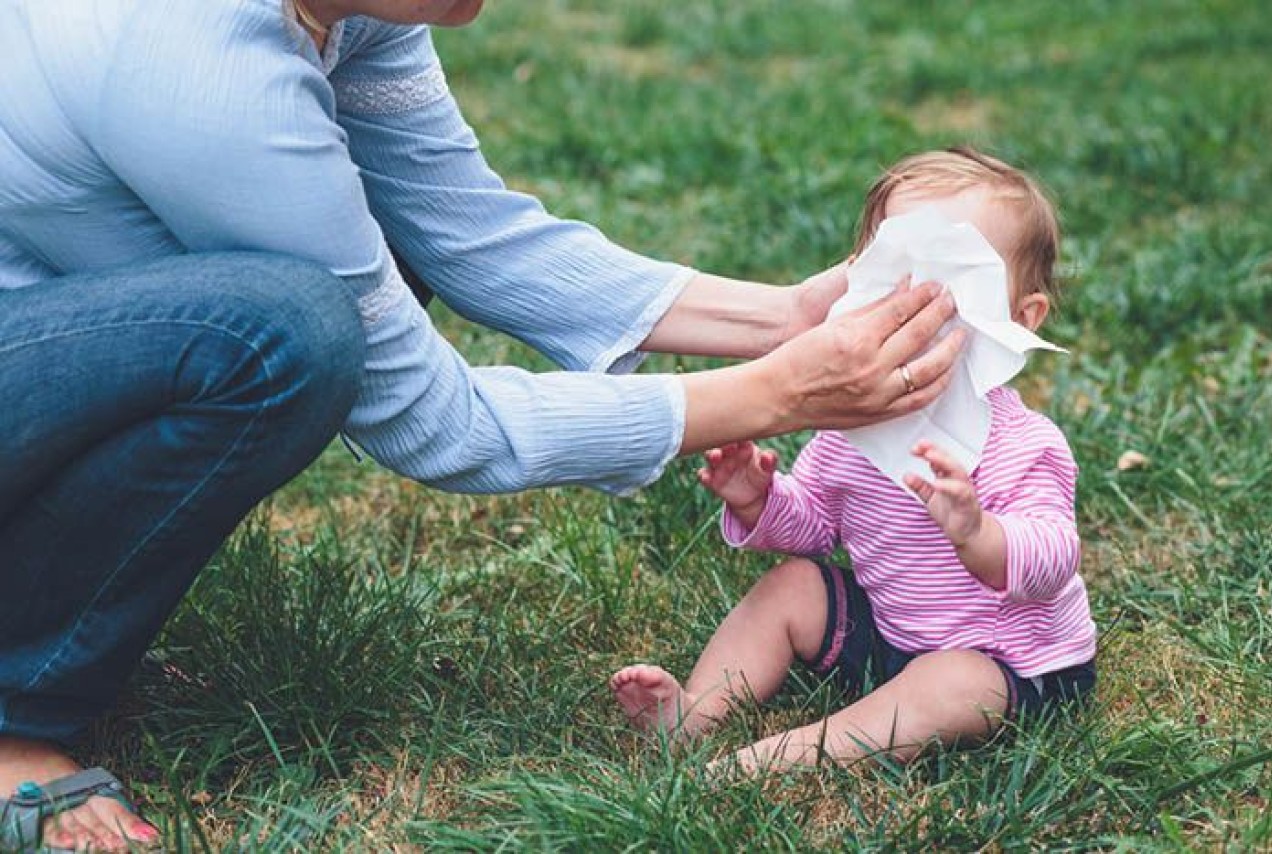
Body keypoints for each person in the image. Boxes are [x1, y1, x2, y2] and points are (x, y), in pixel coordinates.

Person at [0, 0, 968, 850]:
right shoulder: (196, 65)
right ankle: (14, 711)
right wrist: (775, 394)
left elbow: (465, 227)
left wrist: (785, 319)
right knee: (289, 334)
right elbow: (435, 421)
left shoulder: (358, 7)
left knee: (347, 275)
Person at [610, 147, 1098, 775]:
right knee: (793, 584)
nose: (919, 298)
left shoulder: (1023, 443)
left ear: (1020, 317)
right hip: (891, 635)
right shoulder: (853, 426)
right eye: (895, 268)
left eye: (952, 273)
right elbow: (815, 525)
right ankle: (693, 714)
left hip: (1009, 663)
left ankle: (781, 758)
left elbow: (1055, 559)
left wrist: (978, 533)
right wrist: (759, 498)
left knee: (954, 685)